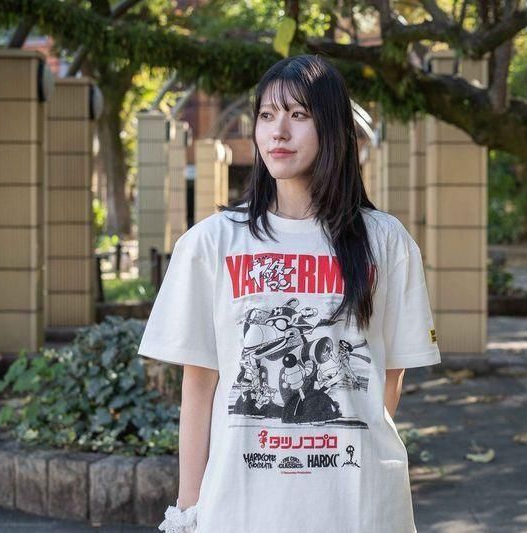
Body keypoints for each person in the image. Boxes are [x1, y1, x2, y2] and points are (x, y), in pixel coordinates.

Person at [138, 54, 441, 533]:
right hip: (242, 507)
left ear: (333, 129)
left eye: (298, 115)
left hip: (357, 506)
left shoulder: (385, 241)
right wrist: (188, 510)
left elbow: (390, 373)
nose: (278, 131)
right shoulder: (212, 243)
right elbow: (198, 386)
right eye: (266, 115)